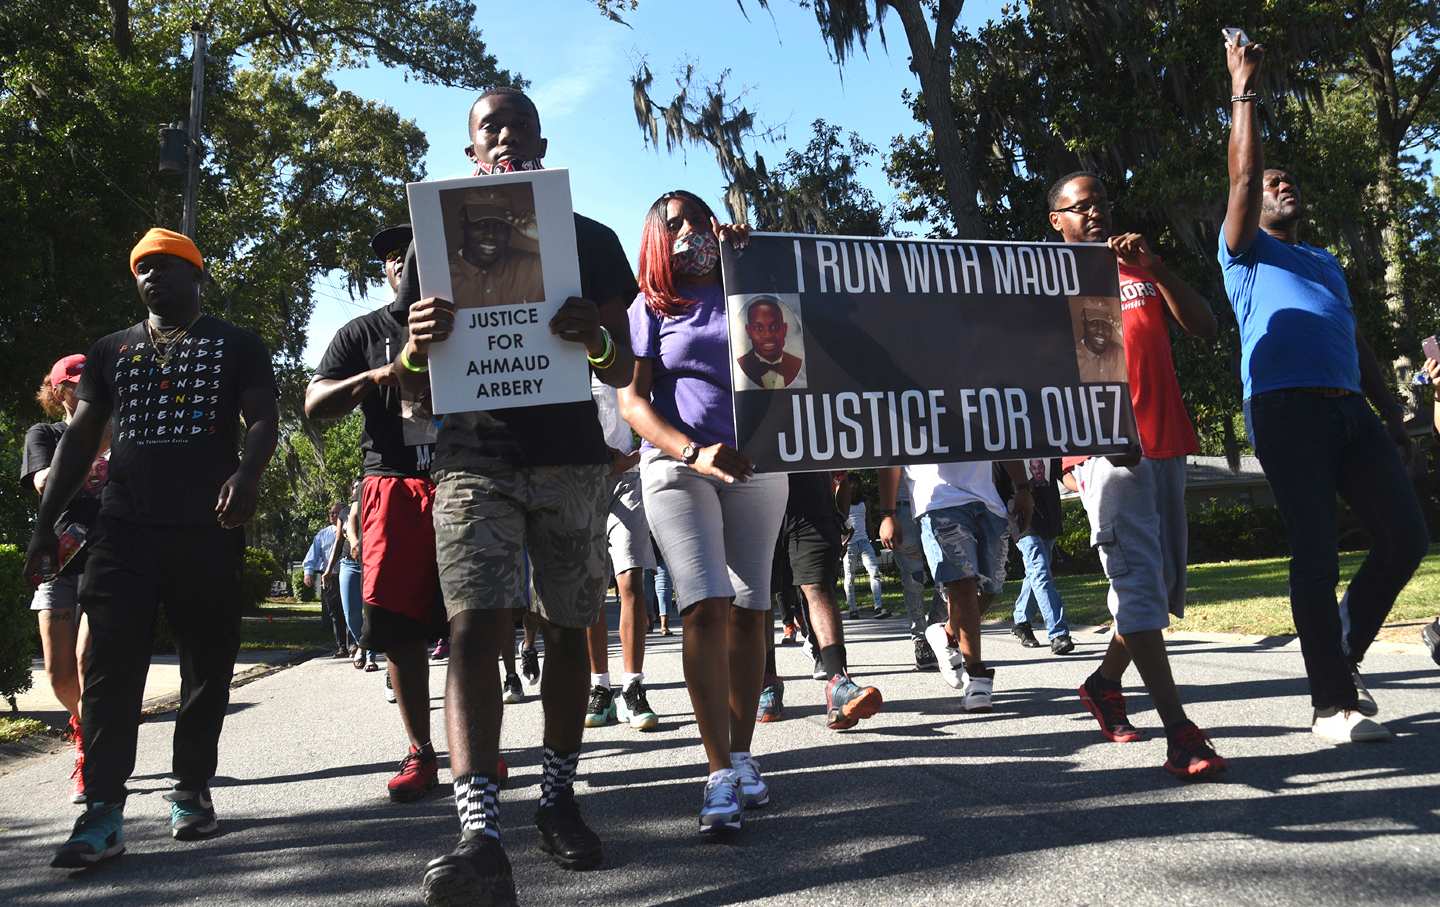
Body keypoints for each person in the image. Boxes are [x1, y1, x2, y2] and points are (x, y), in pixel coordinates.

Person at [404, 87, 638, 905]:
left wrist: (595, 335)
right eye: (486, 127)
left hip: (570, 459)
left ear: (542, 140)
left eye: (515, 123)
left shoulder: (591, 240)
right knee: (473, 625)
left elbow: (622, 369)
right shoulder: (430, 246)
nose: (501, 136)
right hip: (474, 458)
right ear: (470, 152)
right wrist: (413, 350)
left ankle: (557, 798)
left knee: (570, 626)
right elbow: (415, 396)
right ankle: (478, 832)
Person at [27, 228, 279, 867]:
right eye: (142, 270)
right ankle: (103, 812)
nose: (152, 278)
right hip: (123, 532)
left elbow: (263, 421)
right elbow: (80, 440)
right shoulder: (110, 351)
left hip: (208, 530)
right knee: (110, 669)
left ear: (199, 277)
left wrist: (246, 475)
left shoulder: (238, 345)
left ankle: (191, 789)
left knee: (206, 663)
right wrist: (43, 529)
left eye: (166, 267)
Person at [1222, 35, 1427, 742]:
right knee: (1314, 548)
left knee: (1406, 537)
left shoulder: (1326, 262)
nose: (1283, 185)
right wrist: (1243, 90)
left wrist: (1393, 415)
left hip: (1350, 411)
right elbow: (1242, 183)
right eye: (1273, 180)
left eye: (1289, 181)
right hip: (1285, 407)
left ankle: (1344, 650)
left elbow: (1356, 338)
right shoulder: (1245, 251)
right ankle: (1330, 705)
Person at [620, 189, 792, 835]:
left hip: (756, 464)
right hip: (678, 464)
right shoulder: (649, 307)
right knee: (705, 602)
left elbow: (792, 348)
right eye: (676, 222)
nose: (692, 228)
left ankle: (743, 753)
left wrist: (758, 257)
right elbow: (634, 404)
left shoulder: (747, 286)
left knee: (752, 607)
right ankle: (717, 770)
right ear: (657, 240)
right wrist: (694, 451)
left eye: (699, 215)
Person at [1045, 170, 1225, 778]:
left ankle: (1102, 684)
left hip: (1166, 444)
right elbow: (1035, 379)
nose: (1093, 213)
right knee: (1141, 588)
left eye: (1100, 203)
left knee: (1158, 589)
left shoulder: (1138, 270)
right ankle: (1181, 732)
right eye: (1079, 207)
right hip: (1107, 456)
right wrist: (1072, 457)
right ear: (1057, 221)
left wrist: (1158, 268)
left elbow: (1204, 327)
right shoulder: (1045, 287)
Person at [305, 223, 454, 804]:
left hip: (465, 480)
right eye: (395, 258)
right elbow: (314, 404)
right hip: (392, 486)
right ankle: (420, 750)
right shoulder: (362, 332)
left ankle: (477, 745)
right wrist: (377, 375)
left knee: (475, 622)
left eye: (417, 254)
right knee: (398, 632)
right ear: (387, 271)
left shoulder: (474, 318)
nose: (405, 265)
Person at [22, 354, 108, 804]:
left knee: (86, 660)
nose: (81, 388)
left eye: (87, 380)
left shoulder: (123, 432)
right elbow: (43, 482)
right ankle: (86, 728)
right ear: (57, 392)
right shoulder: (46, 435)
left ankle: (92, 756)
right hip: (58, 562)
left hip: (110, 561)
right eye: (73, 383)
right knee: (58, 675)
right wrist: (92, 443)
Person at [879, 460, 1030, 711]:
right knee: (962, 585)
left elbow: (1002, 433)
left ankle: (947, 633)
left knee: (992, 587)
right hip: (937, 502)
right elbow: (890, 455)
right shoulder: (904, 419)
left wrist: (1023, 488)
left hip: (988, 501)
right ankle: (977, 677)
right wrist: (888, 513)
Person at [583, 381, 660, 731]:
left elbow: (652, 405)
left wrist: (635, 457)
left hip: (627, 479)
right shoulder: (567, 351)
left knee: (630, 581)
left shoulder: (626, 350)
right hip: (583, 481)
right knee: (592, 588)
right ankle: (600, 687)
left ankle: (633, 686)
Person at [1006, 458, 1073, 655]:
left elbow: (1061, 474)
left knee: (1035, 573)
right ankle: (1058, 633)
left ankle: (1021, 620)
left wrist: (1084, 486)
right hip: (1022, 520)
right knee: (1040, 572)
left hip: (1049, 516)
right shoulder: (1006, 443)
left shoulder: (1046, 440)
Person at [449, 187, 546, 308]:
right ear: (463, 221)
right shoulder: (440, 277)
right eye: (481, 224)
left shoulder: (534, 267)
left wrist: (544, 235)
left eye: (500, 225)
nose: (490, 234)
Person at [339, 480, 380, 671]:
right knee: (350, 613)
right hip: (349, 561)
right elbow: (339, 540)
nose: (358, 490)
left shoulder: (376, 503)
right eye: (354, 488)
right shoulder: (345, 512)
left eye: (360, 487)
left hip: (370, 560)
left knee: (368, 611)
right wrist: (328, 569)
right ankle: (361, 644)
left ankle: (369, 655)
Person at [303, 503, 351, 658]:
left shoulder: (352, 531)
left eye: (336, 513)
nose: (333, 515)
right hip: (330, 578)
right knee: (335, 613)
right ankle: (342, 647)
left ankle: (355, 644)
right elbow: (312, 555)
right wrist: (308, 573)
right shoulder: (322, 535)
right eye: (331, 512)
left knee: (350, 611)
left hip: (349, 575)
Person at [842, 474, 887, 619]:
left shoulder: (864, 502)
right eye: (851, 484)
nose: (853, 486)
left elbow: (868, 523)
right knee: (850, 576)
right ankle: (852, 608)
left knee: (875, 572)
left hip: (864, 541)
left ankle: (878, 606)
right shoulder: (842, 502)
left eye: (855, 483)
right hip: (849, 544)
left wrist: (874, 543)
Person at [735, 296, 803, 389]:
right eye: (758, 328)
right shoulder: (740, 368)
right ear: (748, 331)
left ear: (784, 329)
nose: (768, 335)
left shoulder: (797, 365)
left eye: (774, 327)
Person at [1072, 298, 1127, 383]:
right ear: (1083, 320)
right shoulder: (1071, 359)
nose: (1101, 330)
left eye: (1106, 324)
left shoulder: (1121, 355)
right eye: (1094, 323)